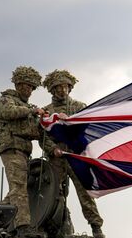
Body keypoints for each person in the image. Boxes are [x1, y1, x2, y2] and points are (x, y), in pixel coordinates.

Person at [41, 69, 105, 238]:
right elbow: (42, 136)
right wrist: (52, 149)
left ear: (70, 88)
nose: (62, 90)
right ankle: (56, 226)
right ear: (52, 90)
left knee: (85, 191)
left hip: (76, 156)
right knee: (53, 194)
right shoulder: (47, 112)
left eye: (65, 87)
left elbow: (88, 129)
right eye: (58, 87)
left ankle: (96, 227)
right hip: (57, 157)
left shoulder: (79, 107)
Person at [0, 66, 45, 237]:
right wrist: (31, 111)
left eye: (32, 87)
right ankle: (23, 228)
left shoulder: (28, 107)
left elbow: (35, 131)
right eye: (26, 85)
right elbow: (7, 112)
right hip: (12, 148)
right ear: (17, 84)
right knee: (19, 188)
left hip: (23, 151)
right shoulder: (6, 100)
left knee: (16, 189)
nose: (29, 90)